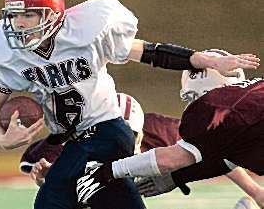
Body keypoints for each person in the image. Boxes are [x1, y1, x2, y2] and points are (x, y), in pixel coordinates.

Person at [0, 0, 260, 209]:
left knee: (53, 198)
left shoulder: (86, 33)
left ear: (52, 13)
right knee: (106, 197)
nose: (18, 23)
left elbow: (150, 53)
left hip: (106, 130)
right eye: (14, 15)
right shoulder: (11, 55)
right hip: (72, 138)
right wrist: (2, 138)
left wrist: (204, 59)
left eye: (28, 15)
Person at [76, 50, 264, 208]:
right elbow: (224, 157)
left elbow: (172, 159)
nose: (192, 104)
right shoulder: (254, 91)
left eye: (193, 97)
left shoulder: (213, 107)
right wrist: (179, 176)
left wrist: (108, 171)